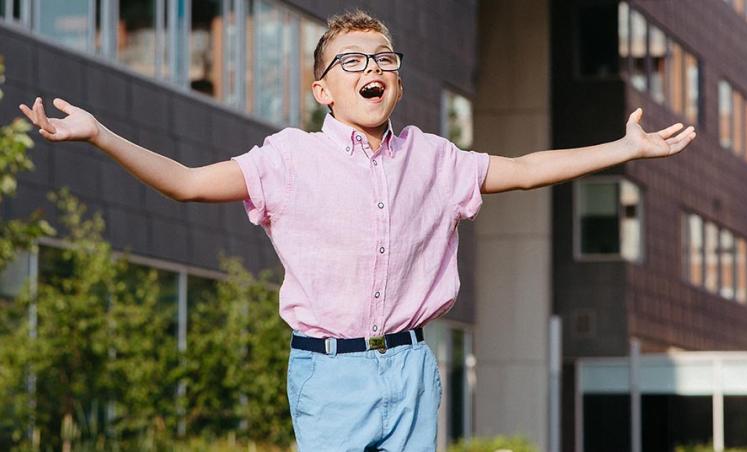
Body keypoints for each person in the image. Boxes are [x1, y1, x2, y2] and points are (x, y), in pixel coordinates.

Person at [18, 9, 695, 451]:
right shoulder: (287, 159)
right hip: (328, 371)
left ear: (397, 84)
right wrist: (102, 134)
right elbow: (189, 183)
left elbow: (522, 168)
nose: (372, 68)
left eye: (384, 59)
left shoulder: (435, 158)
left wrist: (625, 150)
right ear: (322, 91)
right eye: (352, 62)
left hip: (410, 367)